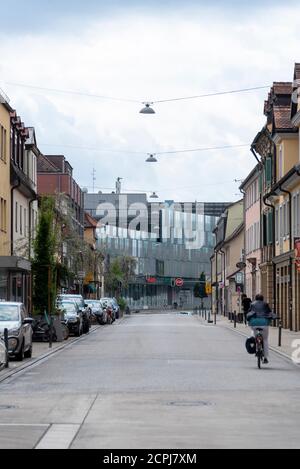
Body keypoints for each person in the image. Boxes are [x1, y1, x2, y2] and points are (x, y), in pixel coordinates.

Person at [247, 294, 275, 364]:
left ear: (255, 299)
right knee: (265, 340)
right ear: (262, 299)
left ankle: (256, 344)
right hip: (264, 324)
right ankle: (265, 358)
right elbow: (270, 313)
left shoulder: (252, 304)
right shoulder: (265, 304)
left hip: (254, 324)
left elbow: (248, 313)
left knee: (254, 333)